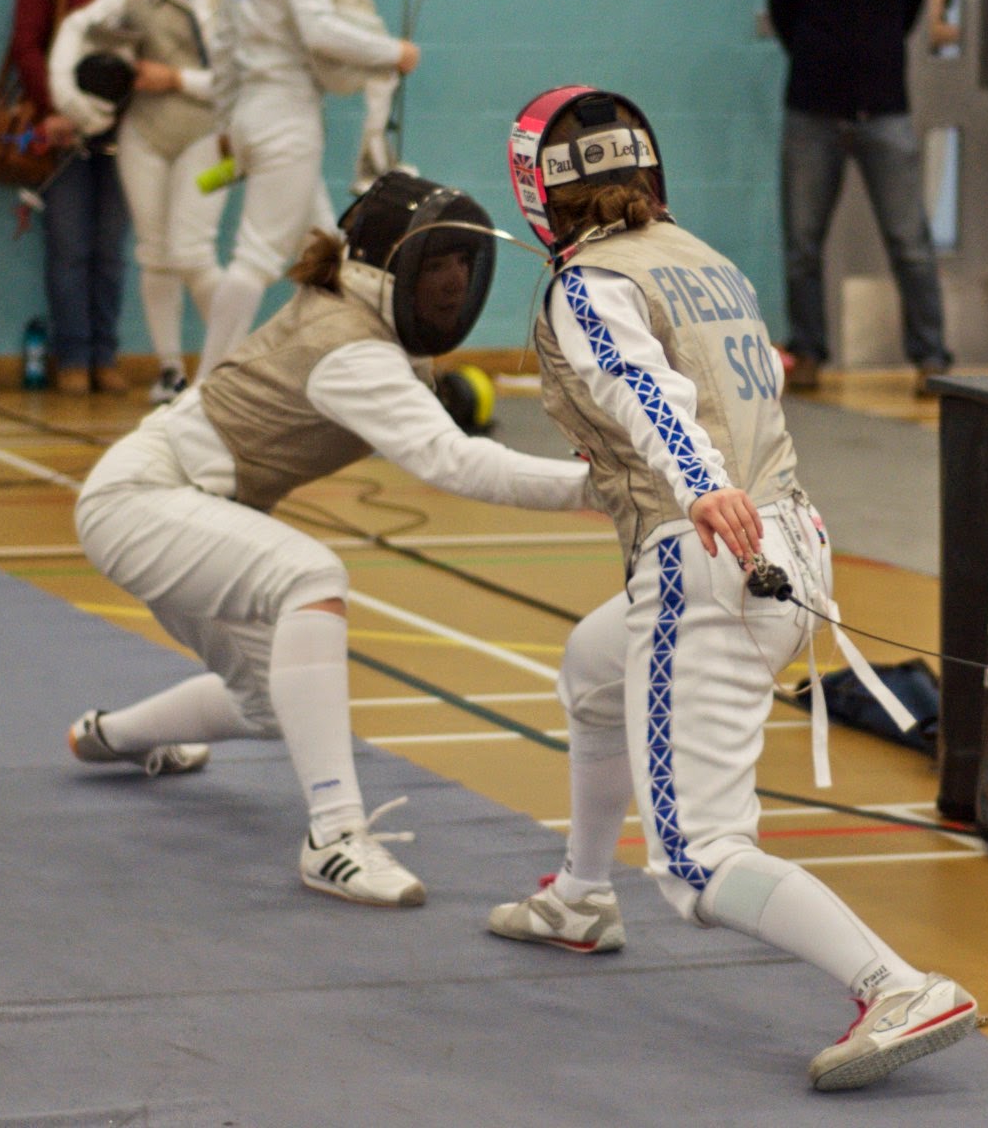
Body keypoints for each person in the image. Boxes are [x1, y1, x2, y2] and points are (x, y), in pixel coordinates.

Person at [490, 86, 977, 1090]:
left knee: (697, 854)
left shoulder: (586, 285)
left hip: (707, 558)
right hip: (790, 542)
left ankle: (897, 982)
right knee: (592, 667)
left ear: (542, 192)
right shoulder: (710, 263)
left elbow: (643, 388)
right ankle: (580, 891)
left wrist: (700, 485)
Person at [68, 171, 596, 908]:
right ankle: (335, 836)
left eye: (462, 265)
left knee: (263, 703)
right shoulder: (352, 348)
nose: (451, 282)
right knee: (309, 576)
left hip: (180, 505)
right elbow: (452, 461)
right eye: (436, 262)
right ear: (386, 265)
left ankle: (109, 735)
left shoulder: (358, 311)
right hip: (143, 500)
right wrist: (593, 487)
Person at [195, 0, 421, 379]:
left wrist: (227, 122)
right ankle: (204, 388)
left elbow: (224, 42)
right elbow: (317, 29)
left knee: (327, 251)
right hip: (285, 118)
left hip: (250, 114)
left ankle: (354, 365)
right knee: (256, 258)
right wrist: (392, 52)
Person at [768, 0, 953, 398]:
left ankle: (931, 357)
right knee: (803, 243)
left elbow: (909, 12)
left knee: (910, 240)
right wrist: (820, 58)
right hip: (813, 110)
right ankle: (808, 350)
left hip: (886, 109)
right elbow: (783, 6)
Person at [50, 0, 230, 404]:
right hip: (143, 137)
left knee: (193, 253)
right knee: (155, 253)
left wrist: (176, 79)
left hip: (214, 141)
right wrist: (75, 104)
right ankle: (170, 369)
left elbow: (246, 79)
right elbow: (74, 28)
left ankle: (232, 365)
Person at [12, 0, 134, 397]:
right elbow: (27, 47)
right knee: (68, 248)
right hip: (62, 137)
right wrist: (54, 110)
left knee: (110, 251)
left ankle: (105, 354)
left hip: (123, 137)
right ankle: (74, 356)